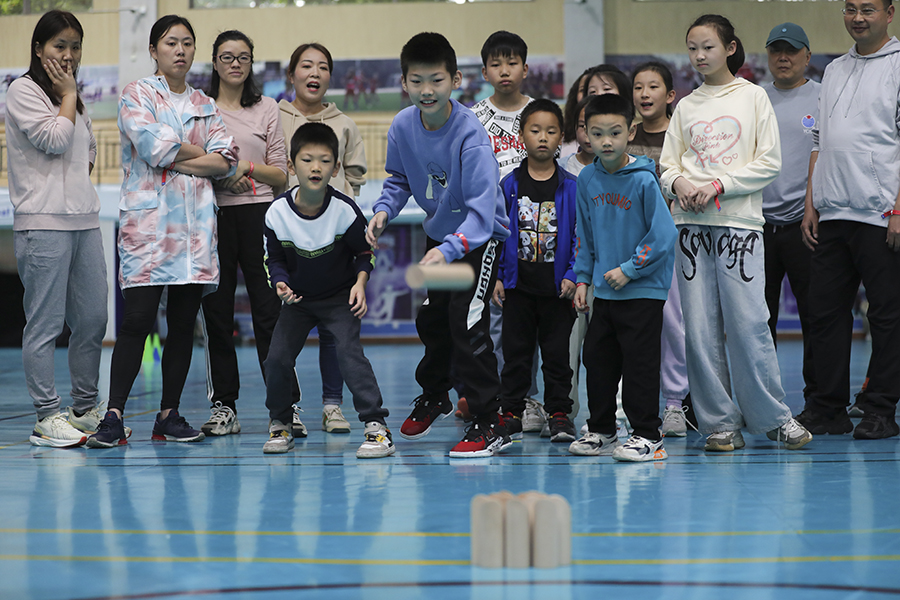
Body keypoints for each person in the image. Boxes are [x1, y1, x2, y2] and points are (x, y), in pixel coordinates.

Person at [659, 14, 812, 452]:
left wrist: (718, 186)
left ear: (730, 48)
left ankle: (774, 417)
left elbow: (768, 162)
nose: (699, 56)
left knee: (749, 324)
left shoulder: (753, 98)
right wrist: (683, 185)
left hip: (739, 226)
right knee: (700, 331)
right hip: (690, 229)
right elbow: (669, 165)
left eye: (707, 46)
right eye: (692, 48)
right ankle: (719, 424)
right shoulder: (686, 106)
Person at [87, 15, 237, 448]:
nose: (180, 50)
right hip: (150, 229)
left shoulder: (206, 104)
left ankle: (168, 415)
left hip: (194, 232)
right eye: (171, 43)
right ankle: (113, 415)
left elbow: (225, 159)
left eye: (187, 43)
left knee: (183, 322)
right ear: (154, 50)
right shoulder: (137, 94)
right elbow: (152, 146)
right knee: (136, 322)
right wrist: (198, 155)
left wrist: (179, 156)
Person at [366, 32, 511, 458]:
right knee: (433, 319)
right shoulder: (402, 126)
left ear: (455, 80)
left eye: (436, 80)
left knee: (467, 322)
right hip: (439, 237)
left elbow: (483, 216)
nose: (426, 91)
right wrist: (383, 210)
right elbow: (397, 180)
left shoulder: (471, 137)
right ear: (404, 82)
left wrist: (448, 249)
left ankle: (490, 420)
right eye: (417, 81)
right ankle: (435, 395)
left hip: (477, 240)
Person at [5, 11, 118, 447]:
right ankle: (46, 415)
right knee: (45, 324)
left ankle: (85, 408)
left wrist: (71, 98)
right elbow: (53, 140)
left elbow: (85, 151)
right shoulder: (23, 91)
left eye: (75, 47)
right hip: (43, 224)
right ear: (38, 49)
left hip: (84, 222)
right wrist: (69, 94)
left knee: (92, 319)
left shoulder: (74, 99)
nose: (68, 55)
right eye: (59, 46)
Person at [798, 0, 900, 439]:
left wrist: (898, 208)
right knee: (823, 314)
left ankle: (879, 409)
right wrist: (811, 201)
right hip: (832, 210)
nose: (858, 17)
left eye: (868, 9)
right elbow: (818, 139)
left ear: (890, 13)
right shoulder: (834, 70)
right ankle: (827, 408)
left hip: (880, 213)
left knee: (887, 317)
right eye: (850, 8)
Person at [262, 123, 392, 458]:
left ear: (336, 168)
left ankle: (376, 428)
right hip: (299, 302)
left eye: (324, 161)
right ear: (292, 166)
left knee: (349, 355)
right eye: (307, 160)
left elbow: (364, 253)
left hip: (338, 299)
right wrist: (280, 282)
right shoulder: (277, 213)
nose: (315, 167)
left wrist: (360, 284)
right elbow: (273, 258)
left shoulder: (345, 211)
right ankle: (280, 422)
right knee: (276, 359)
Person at [567, 93, 676, 461]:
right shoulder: (586, 179)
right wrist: (583, 279)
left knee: (639, 364)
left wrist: (629, 270)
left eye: (615, 133)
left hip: (643, 289)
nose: (606, 142)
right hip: (604, 291)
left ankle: (648, 434)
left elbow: (663, 236)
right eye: (597, 134)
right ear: (585, 135)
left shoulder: (645, 181)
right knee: (597, 361)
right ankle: (602, 431)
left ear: (631, 131)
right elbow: (585, 234)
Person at [198, 30, 288, 437]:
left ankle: (284, 405)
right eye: (227, 56)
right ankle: (224, 406)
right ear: (214, 62)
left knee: (270, 311)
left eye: (244, 57)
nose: (236, 63)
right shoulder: (200, 108)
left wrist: (244, 170)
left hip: (260, 216)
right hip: (213, 215)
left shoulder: (267, 108)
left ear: (251, 64)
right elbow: (193, 161)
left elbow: (281, 175)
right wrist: (220, 179)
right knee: (217, 314)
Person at [279, 42, 367, 436]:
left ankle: (333, 406)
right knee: (287, 331)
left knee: (337, 331)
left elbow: (357, 174)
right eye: (306, 66)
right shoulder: (274, 116)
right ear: (292, 74)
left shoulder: (344, 123)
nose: (314, 73)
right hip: (292, 240)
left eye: (323, 67)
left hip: (333, 243)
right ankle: (289, 409)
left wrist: (338, 214)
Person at [469, 30, 544, 431]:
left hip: (536, 233)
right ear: (484, 71)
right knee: (490, 320)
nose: (504, 70)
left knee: (529, 321)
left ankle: (529, 399)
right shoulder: (473, 118)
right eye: (496, 64)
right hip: (489, 236)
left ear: (526, 69)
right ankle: (492, 397)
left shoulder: (540, 114)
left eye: (512, 62)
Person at [494, 99, 578, 443]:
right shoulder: (508, 186)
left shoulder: (572, 187)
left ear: (561, 137)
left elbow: (580, 238)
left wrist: (573, 274)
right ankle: (511, 412)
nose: (543, 137)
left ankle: (559, 413)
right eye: (535, 130)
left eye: (551, 131)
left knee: (558, 357)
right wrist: (499, 276)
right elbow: (497, 236)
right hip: (518, 289)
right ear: (522, 135)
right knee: (515, 355)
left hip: (558, 291)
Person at [626, 61, 694, 437]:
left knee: (673, 324)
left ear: (670, 96)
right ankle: (637, 406)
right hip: (630, 250)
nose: (645, 94)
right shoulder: (624, 136)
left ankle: (673, 403)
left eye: (653, 87)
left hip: (670, 248)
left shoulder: (679, 138)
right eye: (638, 87)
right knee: (635, 328)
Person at [760, 23, 819, 410]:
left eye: (792, 51)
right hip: (757, 227)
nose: (784, 58)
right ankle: (762, 402)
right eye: (777, 50)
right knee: (757, 324)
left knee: (817, 318)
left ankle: (818, 402)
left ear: (806, 56)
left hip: (805, 226)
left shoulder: (822, 96)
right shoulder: (754, 99)